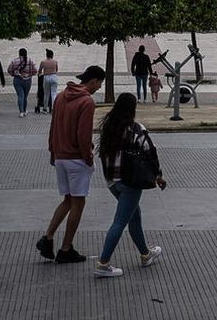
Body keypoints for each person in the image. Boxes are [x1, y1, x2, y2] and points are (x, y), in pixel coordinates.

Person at [38, 65, 107, 264]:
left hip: (60, 156)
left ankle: (48, 237)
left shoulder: (60, 97)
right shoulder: (86, 102)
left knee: (68, 200)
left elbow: (53, 127)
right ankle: (66, 248)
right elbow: (84, 135)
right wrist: (88, 157)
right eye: (99, 83)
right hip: (77, 158)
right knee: (78, 202)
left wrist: (53, 151)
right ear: (93, 80)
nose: (99, 87)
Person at [93, 92, 166, 278]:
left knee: (134, 215)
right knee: (120, 222)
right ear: (132, 109)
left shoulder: (108, 127)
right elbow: (151, 153)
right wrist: (159, 176)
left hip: (112, 181)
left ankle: (145, 254)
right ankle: (103, 263)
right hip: (131, 182)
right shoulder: (136, 130)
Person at [9, 48, 36, 118]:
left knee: (20, 95)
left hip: (17, 80)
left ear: (19, 53)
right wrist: (29, 74)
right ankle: (24, 110)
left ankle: (21, 111)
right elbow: (35, 70)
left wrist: (14, 74)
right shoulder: (30, 61)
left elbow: (9, 69)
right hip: (27, 80)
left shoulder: (14, 61)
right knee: (25, 96)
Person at [38, 49, 60, 114]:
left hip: (46, 77)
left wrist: (39, 74)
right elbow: (56, 69)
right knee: (53, 93)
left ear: (46, 55)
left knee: (46, 94)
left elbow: (40, 70)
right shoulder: (55, 61)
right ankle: (53, 108)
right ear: (52, 55)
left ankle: (45, 109)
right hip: (54, 77)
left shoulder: (43, 62)